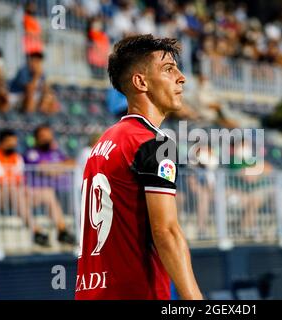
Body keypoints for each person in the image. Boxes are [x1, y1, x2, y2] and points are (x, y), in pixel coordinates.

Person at [76, 35, 202, 300]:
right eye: (169, 69)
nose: (181, 77)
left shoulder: (105, 141)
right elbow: (165, 232)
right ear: (141, 82)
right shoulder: (154, 145)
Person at [0, 130, 49, 246]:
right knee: (11, 190)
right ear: (2, 142)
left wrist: (23, 188)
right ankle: (35, 230)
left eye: (14, 142)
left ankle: (62, 230)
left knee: (47, 193)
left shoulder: (17, 157)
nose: (13, 145)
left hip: (14, 196)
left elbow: (20, 180)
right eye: (10, 142)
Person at [24, 125, 76, 245]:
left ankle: (64, 231)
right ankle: (62, 230)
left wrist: (54, 168)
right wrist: (60, 167)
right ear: (36, 138)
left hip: (62, 191)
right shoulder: (32, 153)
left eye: (49, 136)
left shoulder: (56, 152)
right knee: (49, 194)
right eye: (43, 136)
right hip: (35, 193)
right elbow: (44, 169)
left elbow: (72, 163)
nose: (47, 139)